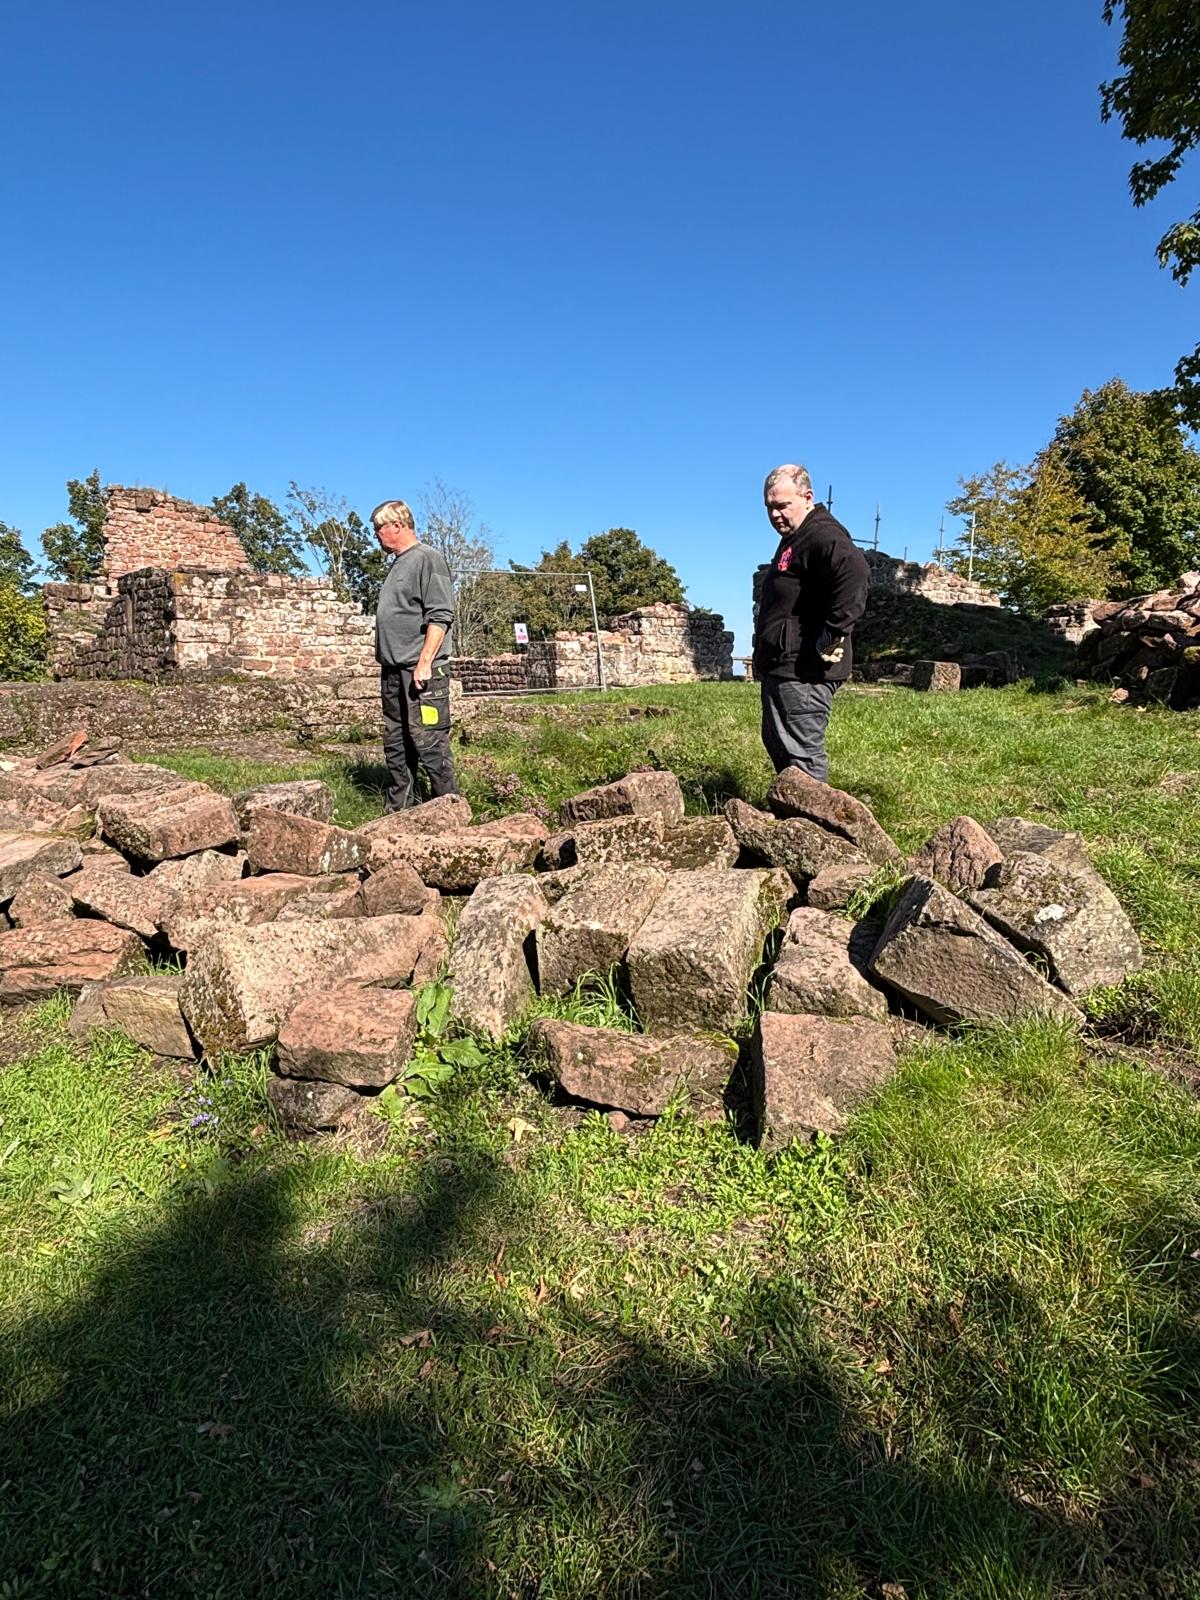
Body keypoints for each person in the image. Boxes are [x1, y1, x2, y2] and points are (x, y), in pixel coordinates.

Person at [751, 464, 870, 784]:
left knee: (802, 756)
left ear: (807, 497)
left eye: (782, 505)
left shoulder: (821, 533)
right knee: (781, 746)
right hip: (786, 665)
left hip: (805, 670)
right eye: (769, 507)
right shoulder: (797, 537)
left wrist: (834, 633)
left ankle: (816, 815)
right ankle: (791, 810)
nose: (775, 514)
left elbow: (855, 570)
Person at [371, 498, 460, 811]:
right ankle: (399, 811)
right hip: (393, 670)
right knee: (396, 740)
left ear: (397, 526)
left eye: (378, 528)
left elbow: (441, 615)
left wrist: (425, 663)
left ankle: (449, 808)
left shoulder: (427, 559)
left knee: (429, 740)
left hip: (420, 671)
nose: (375, 535)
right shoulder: (398, 563)